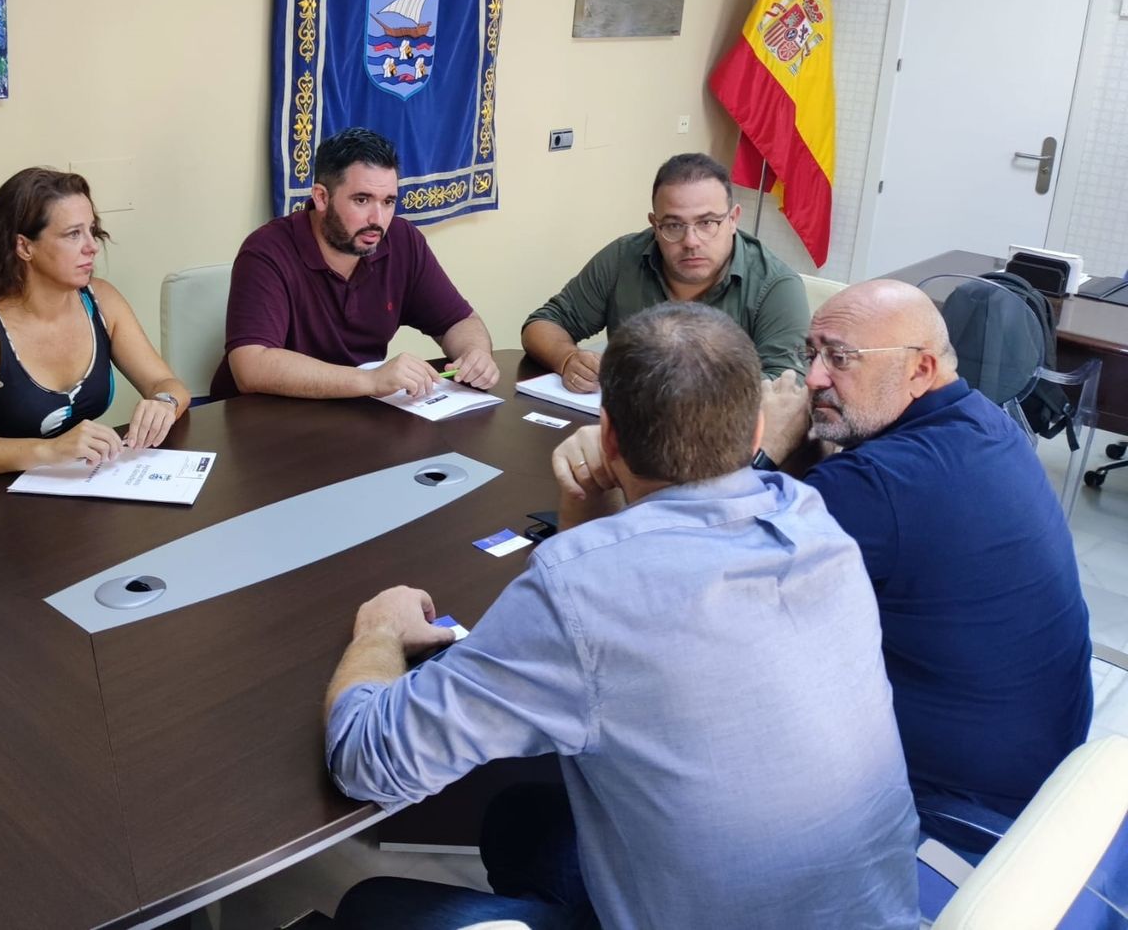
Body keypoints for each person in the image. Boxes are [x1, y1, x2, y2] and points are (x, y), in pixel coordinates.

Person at [328, 304, 919, 930]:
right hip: (869, 911)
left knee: (370, 908)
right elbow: (617, 591)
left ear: (607, 436)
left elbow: (366, 760)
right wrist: (588, 501)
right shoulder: (813, 518)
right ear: (754, 436)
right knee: (519, 822)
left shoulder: (578, 591)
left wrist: (382, 631)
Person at [760, 278, 1093, 850]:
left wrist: (764, 452)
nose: (814, 377)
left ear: (919, 370)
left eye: (840, 358)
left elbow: (704, 573)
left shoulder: (878, 486)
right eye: (810, 353)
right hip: (1049, 771)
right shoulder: (985, 421)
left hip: (953, 811)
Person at [0, 168, 190, 474]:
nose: (92, 246)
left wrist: (164, 402)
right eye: (73, 234)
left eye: (92, 229)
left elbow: (166, 383)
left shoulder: (102, 301)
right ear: (24, 247)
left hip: (80, 486)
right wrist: (48, 451)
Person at [211, 128, 498, 401]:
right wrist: (370, 381)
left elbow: (458, 321)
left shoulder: (402, 240)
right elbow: (251, 366)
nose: (378, 218)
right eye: (362, 200)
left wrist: (476, 354)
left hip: (355, 417)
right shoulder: (267, 250)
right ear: (321, 197)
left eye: (388, 202)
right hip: (262, 424)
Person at [521, 152, 808, 391]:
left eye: (707, 223)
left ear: (733, 220)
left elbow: (787, 387)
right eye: (673, 226)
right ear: (655, 225)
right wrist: (567, 358)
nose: (691, 241)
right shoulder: (624, 257)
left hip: (722, 440)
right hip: (623, 431)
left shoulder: (776, 286)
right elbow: (543, 323)